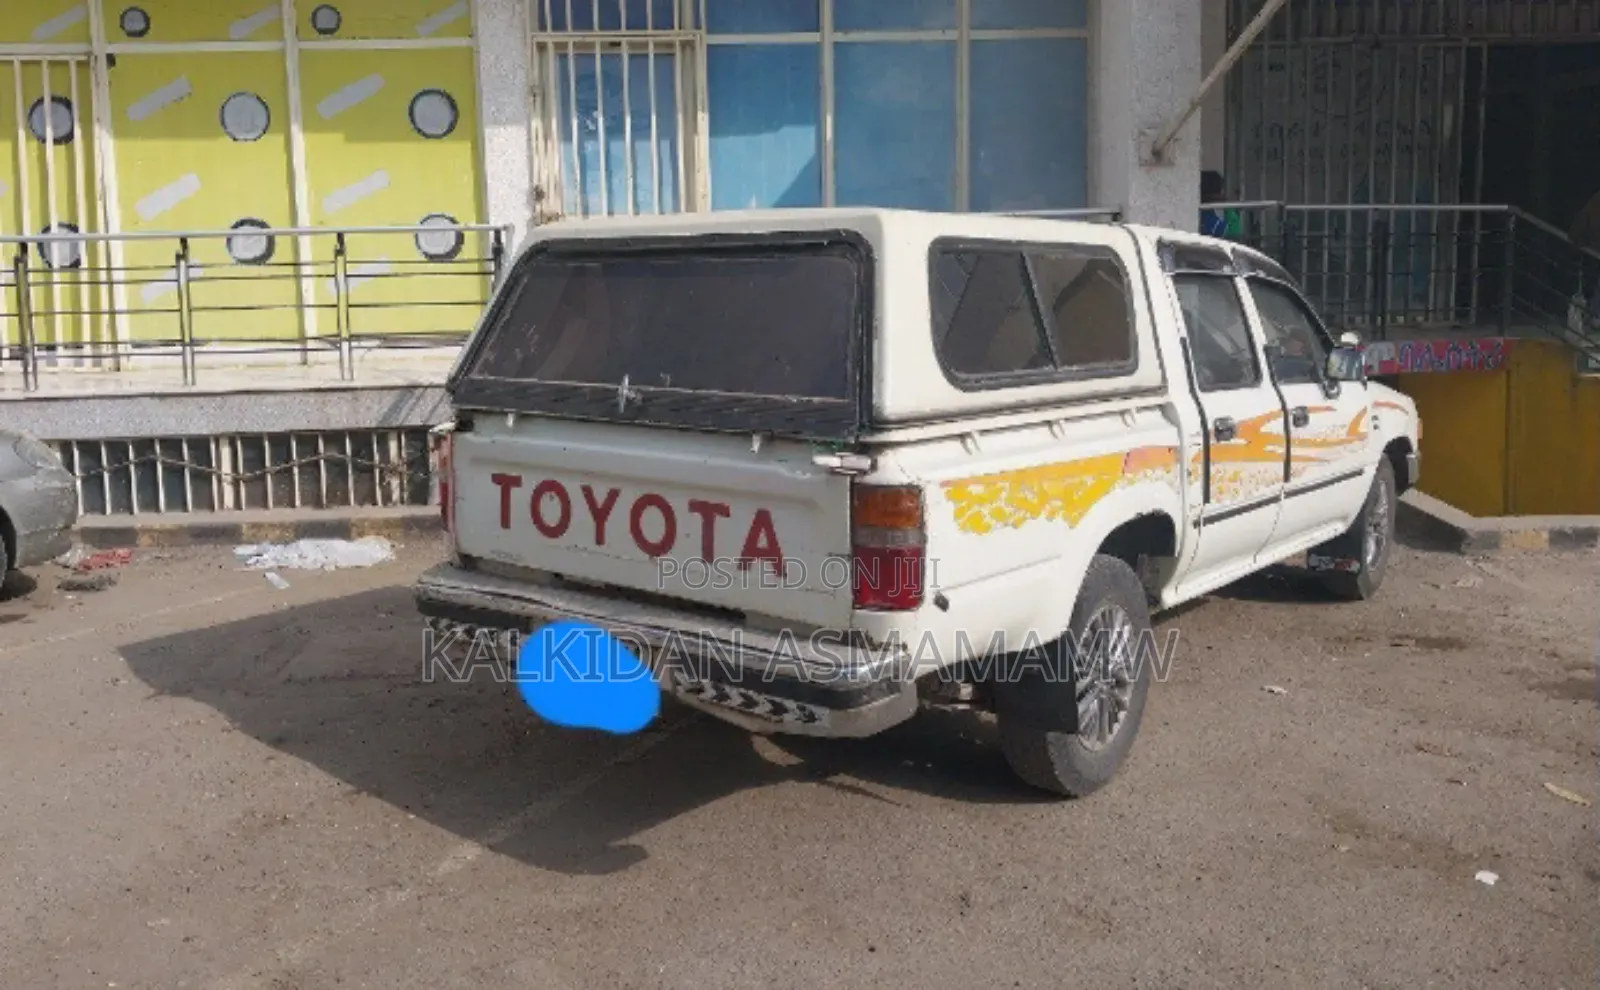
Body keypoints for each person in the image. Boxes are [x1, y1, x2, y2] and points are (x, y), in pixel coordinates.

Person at [1199, 170, 1243, 240]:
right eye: (1221, 190)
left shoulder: (1199, 214)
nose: (1223, 193)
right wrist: (1228, 207)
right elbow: (1234, 233)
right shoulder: (1215, 224)